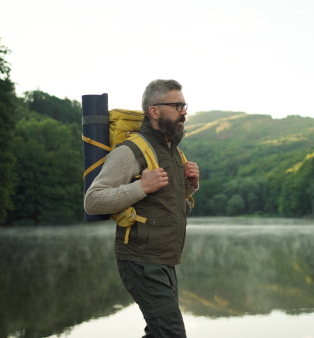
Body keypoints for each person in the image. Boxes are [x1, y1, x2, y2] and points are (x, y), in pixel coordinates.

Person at [84, 79, 199, 337]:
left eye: (184, 105)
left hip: (164, 261)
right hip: (140, 261)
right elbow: (93, 200)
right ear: (154, 111)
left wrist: (190, 188)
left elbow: (172, 211)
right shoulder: (131, 151)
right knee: (171, 333)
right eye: (177, 105)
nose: (184, 111)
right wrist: (141, 188)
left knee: (159, 333)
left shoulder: (173, 153)